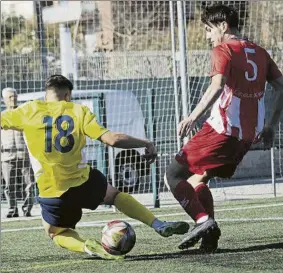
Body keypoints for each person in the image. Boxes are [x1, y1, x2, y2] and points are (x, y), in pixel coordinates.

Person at [1, 75, 189, 260]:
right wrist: (144, 142)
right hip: (84, 181)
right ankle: (158, 224)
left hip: (52, 191)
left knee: (56, 233)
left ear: (46, 95)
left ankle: (87, 246)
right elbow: (112, 139)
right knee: (114, 195)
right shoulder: (78, 111)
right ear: (68, 96)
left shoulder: (28, 110)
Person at [164, 4, 283, 253]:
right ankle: (210, 239)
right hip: (246, 136)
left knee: (173, 175)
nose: (208, 36)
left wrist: (192, 116)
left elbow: (217, 86)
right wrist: (271, 126)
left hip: (221, 131)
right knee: (199, 177)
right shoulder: (260, 52)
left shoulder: (223, 49)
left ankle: (202, 221)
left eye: (209, 30)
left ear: (223, 26)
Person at [1, 87, 35, 218]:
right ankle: (12, 209)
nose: (13, 99)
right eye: (10, 97)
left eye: (14, 96)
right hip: (6, 156)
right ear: (4, 100)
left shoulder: (24, 114)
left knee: (30, 184)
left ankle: (27, 209)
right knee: (9, 186)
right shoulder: (2, 116)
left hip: (25, 155)